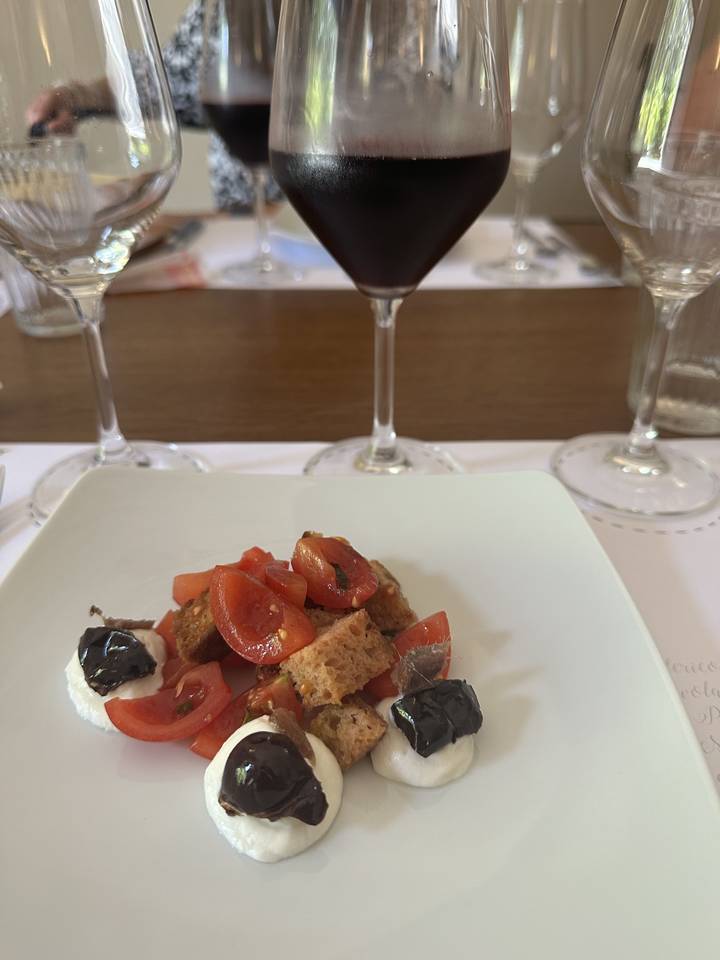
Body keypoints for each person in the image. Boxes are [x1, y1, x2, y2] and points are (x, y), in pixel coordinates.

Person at [25, 0, 278, 212]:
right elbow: (174, 82)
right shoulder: (226, 6)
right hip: (244, 235)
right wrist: (78, 97)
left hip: (295, 240)